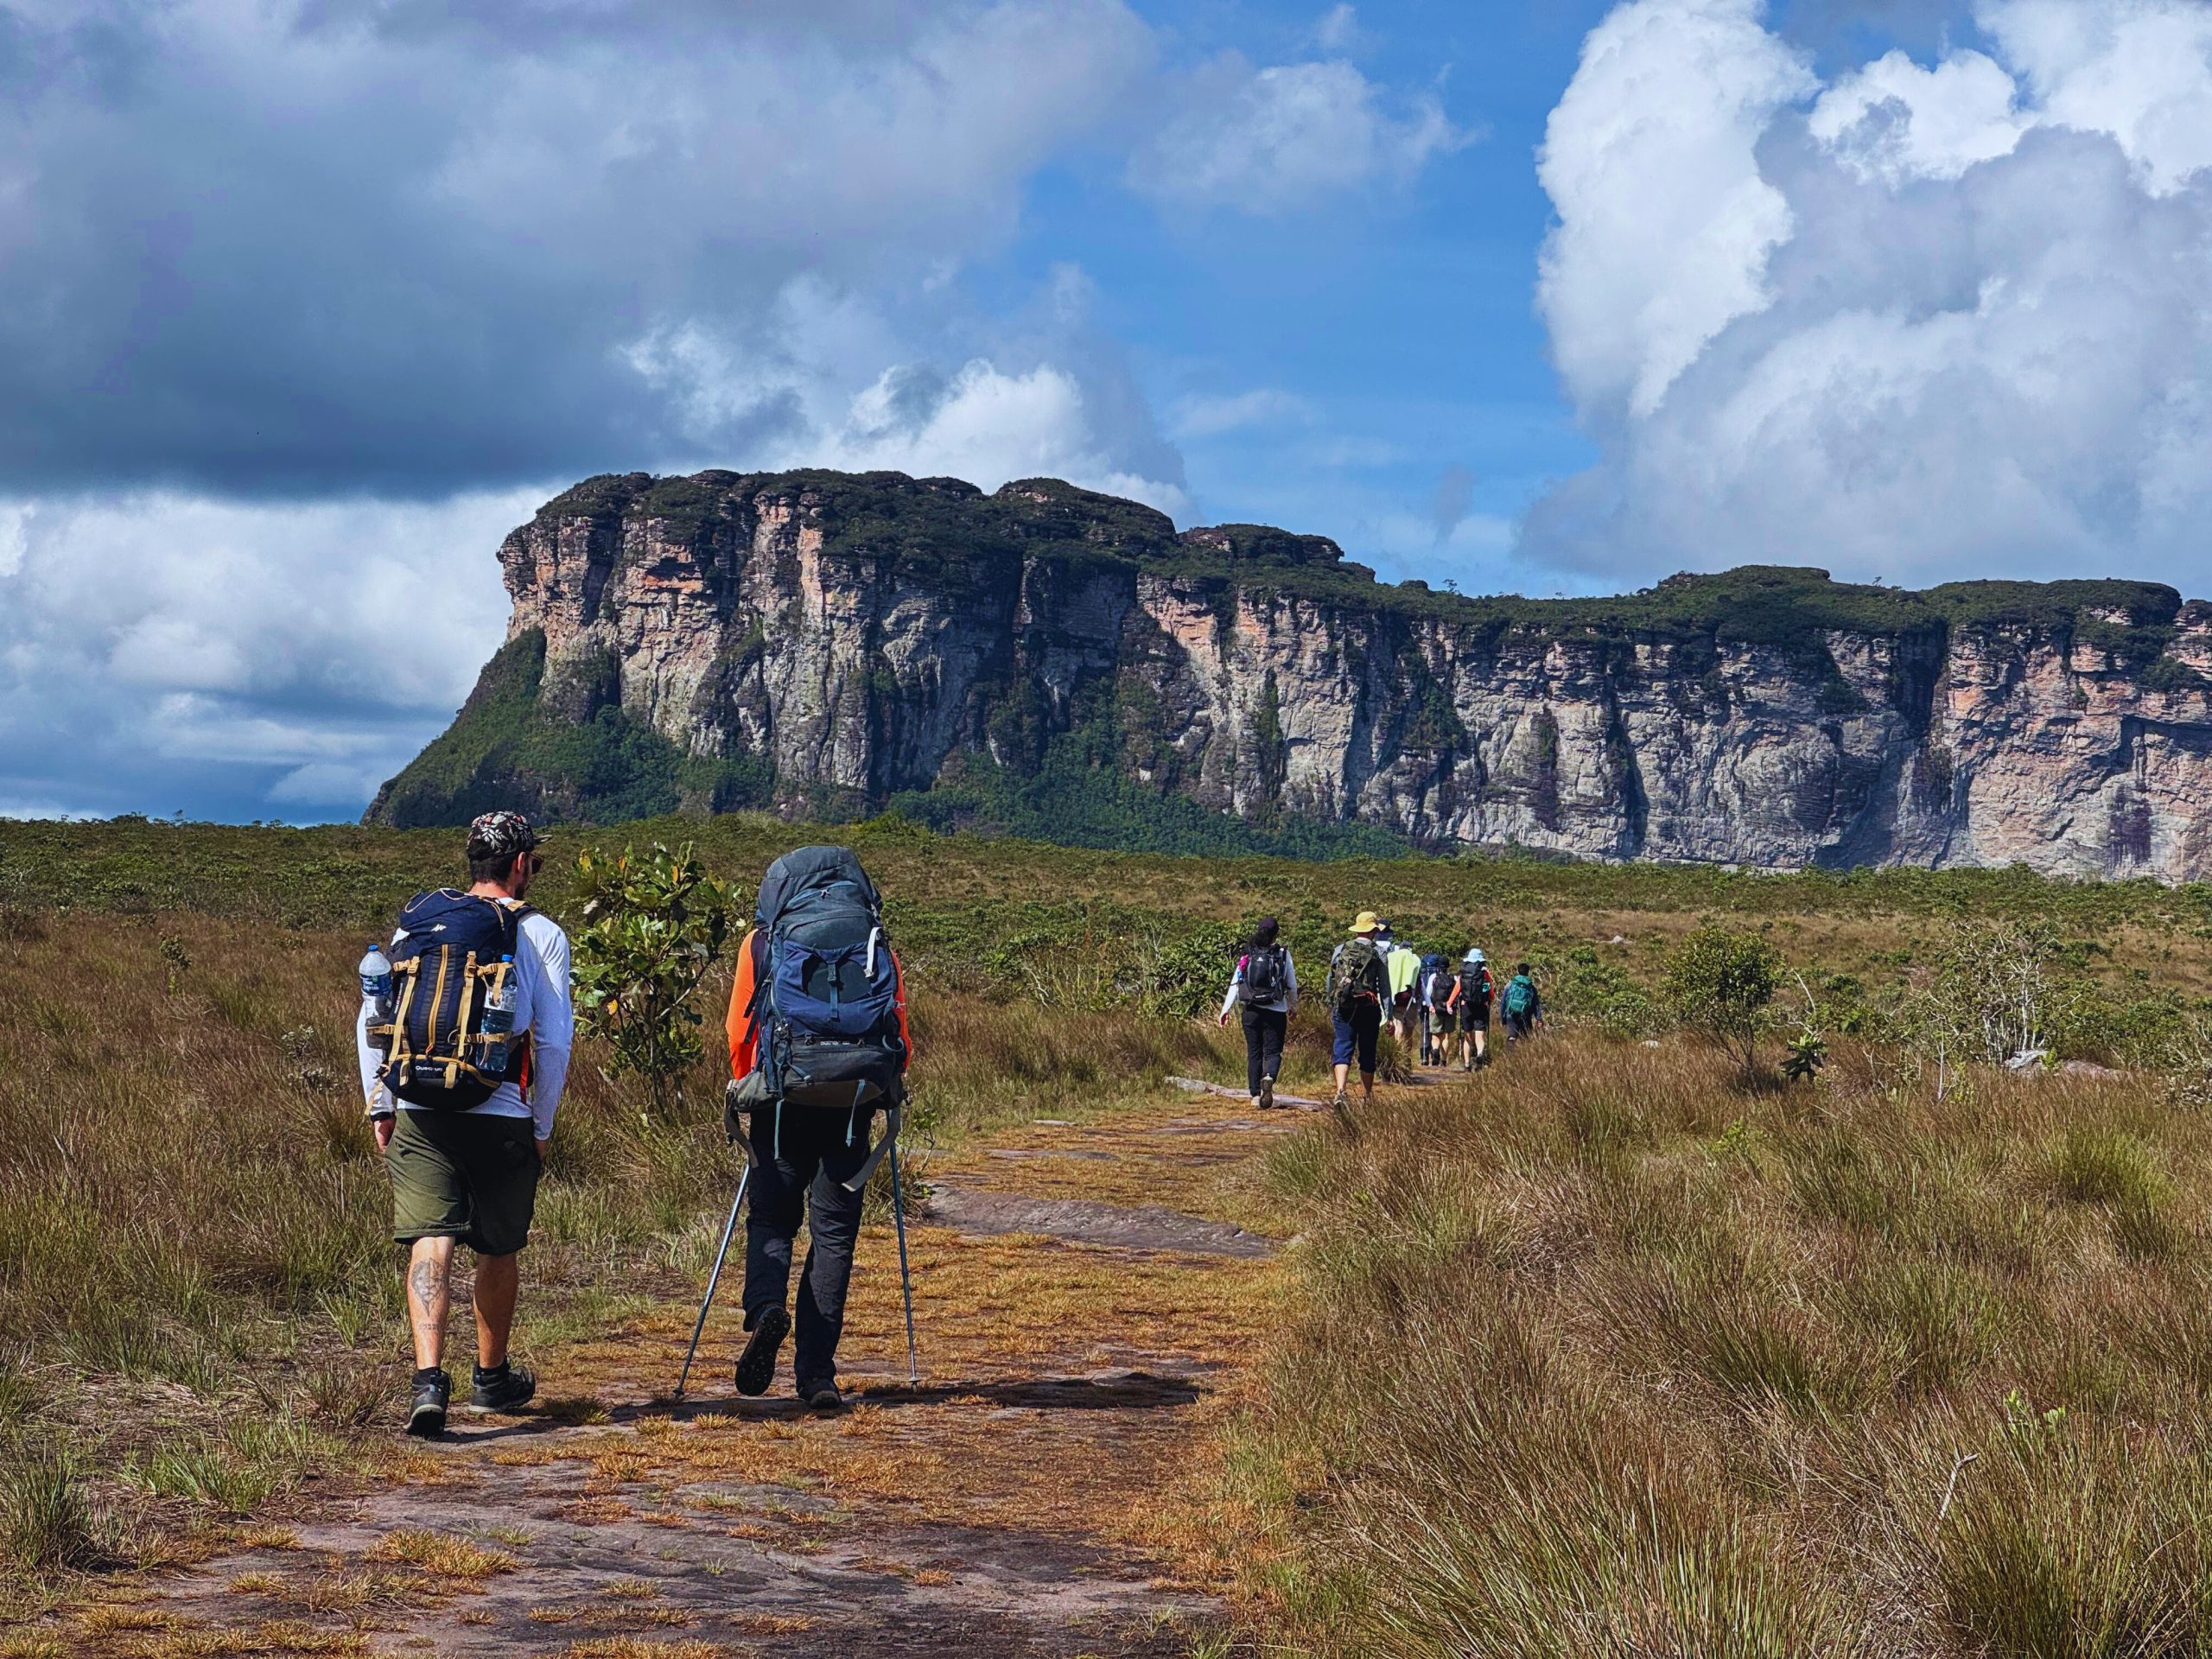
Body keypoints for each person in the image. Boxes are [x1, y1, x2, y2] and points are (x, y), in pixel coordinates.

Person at [362, 811, 572, 1439]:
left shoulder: (419, 924)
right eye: (533, 862)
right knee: (498, 1246)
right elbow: (554, 1040)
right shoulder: (541, 933)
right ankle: (490, 1378)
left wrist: (381, 1102)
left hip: (420, 1107)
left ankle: (428, 1380)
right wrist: (541, 1125)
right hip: (501, 1110)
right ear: (519, 865)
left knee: (431, 1238)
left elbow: (374, 1014)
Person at [724, 849, 914, 1412]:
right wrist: (885, 1086)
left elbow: (738, 1032)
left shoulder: (761, 943)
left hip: (783, 1103)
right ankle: (818, 1376)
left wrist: (752, 1087)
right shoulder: (873, 940)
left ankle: (766, 1309)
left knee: (773, 1220)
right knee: (834, 1236)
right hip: (853, 1103)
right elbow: (898, 1032)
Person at [1218, 917, 1298, 1109]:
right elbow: (1292, 984)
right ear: (1276, 934)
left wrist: (1225, 1009)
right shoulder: (1282, 954)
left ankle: (1255, 1094)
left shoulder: (1248, 953)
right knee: (1273, 1051)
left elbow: (1236, 982)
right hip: (1276, 1010)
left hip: (1251, 1010)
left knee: (1254, 1052)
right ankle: (1269, 1076)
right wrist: (1293, 1007)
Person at [1327, 912, 1389, 1117]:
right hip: (1369, 1008)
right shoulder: (1379, 952)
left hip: (1344, 1006)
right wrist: (1388, 1015)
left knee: (1342, 1046)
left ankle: (1340, 1091)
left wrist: (1332, 1001)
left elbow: (1330, 979)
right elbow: (1384, 987)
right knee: (1367, 1051)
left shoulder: (1341, 949)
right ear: (1373, 931)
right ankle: (1367, 1096)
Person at [1444, 947, 1495, 1071]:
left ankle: (1467, 1064)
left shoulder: (1463, 973)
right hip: (1481, 1006)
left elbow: (1457, 989)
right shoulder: (1485, 973)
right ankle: (1480, 1054)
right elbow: (1489, 990)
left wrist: (1449, 1003)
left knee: (1467, 1037)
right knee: (1480, 1036)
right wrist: (1489, 999)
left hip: (1466, 1006)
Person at [1502, 961, 1544, 1043]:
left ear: (1518, 971)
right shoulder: (1531, 987)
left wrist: (1503, 1019)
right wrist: (1539, 1018)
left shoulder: (1510, 985)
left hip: (1511, 1014)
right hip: (1525, 1016)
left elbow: (1503, 1002)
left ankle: (1510, 1051)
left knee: (1512, 1037)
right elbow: (1536, 1005)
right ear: (1528, 972)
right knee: (1525, 1039)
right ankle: (1523, 1050)